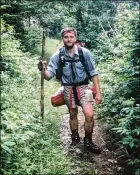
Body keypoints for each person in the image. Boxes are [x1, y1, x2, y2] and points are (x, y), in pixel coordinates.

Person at [38, 27, 102, 154]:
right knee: (72, 114)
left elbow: (93, 73)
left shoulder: (85, 53)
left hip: (84, 86)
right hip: (67, 87)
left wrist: (98, 93)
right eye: (66, 37)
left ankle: (88, 141)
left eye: (71, 37)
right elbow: (48, 76)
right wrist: (43, 69)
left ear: (75, 38)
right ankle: (75, 138)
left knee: (89, 114)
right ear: (63, 39)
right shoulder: (58, 55)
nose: (69, 39)